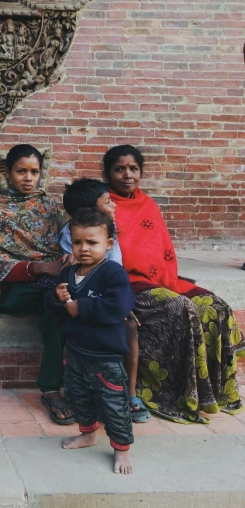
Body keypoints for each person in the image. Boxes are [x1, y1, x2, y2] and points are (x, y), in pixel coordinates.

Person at [105, 144, 245, 423]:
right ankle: (177, 393)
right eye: (119, 169)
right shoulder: (102, 205)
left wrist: (166, 281)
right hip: (127, 283)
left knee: (216, 306)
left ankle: (215, 393)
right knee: (180, 308)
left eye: (133, 168)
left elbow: (163, 249)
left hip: (162, 279)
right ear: (108, 173)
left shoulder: (148, 204)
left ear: (141, 172)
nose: (127, 175)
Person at [0, 144, 73, 425]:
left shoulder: (48, 205)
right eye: (21, 171)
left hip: (51, 279)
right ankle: (51, 388)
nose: (28, 178)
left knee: (62, 300)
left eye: (34, 172)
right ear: (9, 173)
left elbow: (64, 243)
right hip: (11, 287)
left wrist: (66, 258)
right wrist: (41, 267)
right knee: (55, 301)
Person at [58, 178, 150, 423]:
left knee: (131, 324)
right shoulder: (76, 238)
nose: (113, 206)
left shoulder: (108, 232)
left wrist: (122, 304)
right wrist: (65, 299)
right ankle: (76, 391)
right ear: (89, 211)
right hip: (89, 298)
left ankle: (129, 393)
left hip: (111, 293)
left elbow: (116, 274)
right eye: (107, 202)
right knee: (79, 333)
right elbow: (76, 283)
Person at [55, 208, 135, 474]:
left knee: (114, 404)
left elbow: (119, 307)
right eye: (77, 242)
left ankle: (121, 450)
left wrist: (83, 307)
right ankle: (88, 434)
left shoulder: (114, 274)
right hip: (77, 353)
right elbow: (58, 307)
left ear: (109, 244)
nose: (84, 248)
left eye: (92, 242)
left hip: (106, 358)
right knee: (80, 398)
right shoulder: (68, 273)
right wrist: (57, 297)